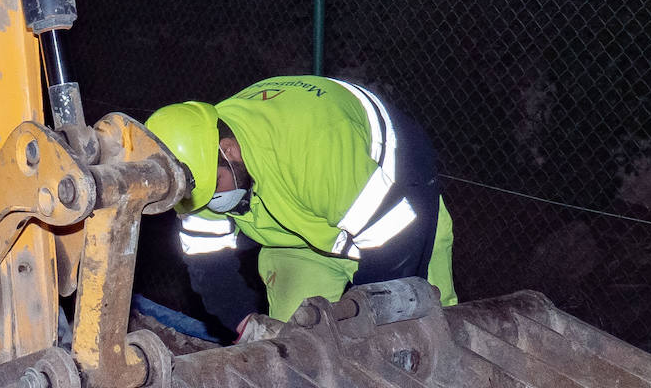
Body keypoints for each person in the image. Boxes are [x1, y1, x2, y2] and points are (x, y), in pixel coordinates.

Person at [145, 75, 456, 334]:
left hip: (397, 214)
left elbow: (394, 241)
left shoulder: (313, 150)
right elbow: (208, 263)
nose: (208, 202)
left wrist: (365, 326)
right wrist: (246, 325)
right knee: (298, 349)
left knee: (420, 337)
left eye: (214, 187)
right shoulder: (199, 166)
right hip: (299, 231)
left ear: (230, 150)